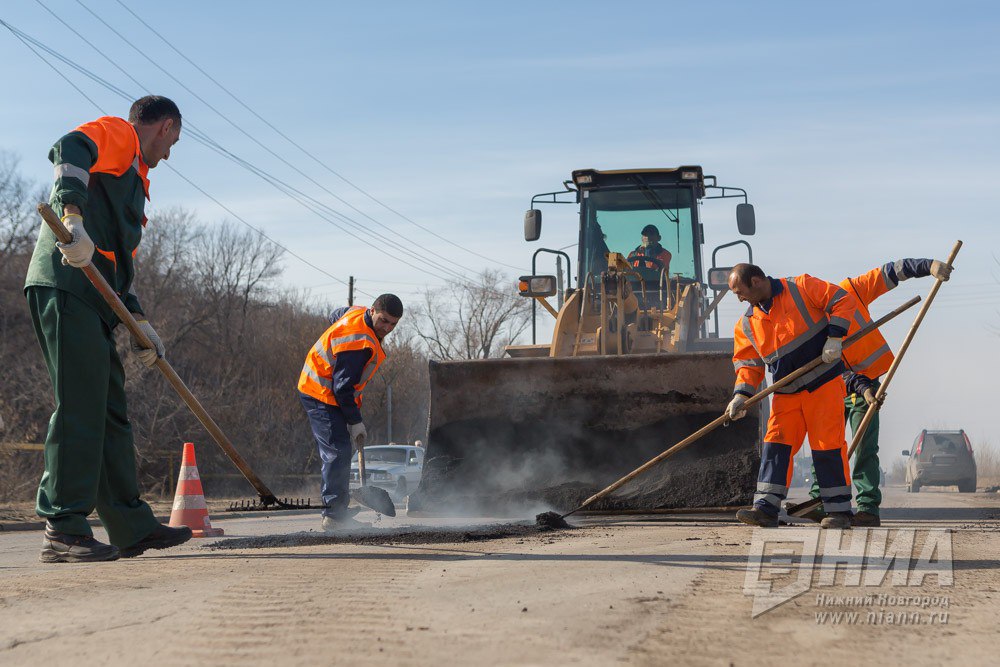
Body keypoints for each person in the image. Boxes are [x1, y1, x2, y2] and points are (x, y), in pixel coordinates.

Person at [24, 96, 191, 563]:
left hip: (97, 298)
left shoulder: (135, 184)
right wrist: (71, 217)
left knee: (111, 409)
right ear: (164, 127)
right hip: (65, 283)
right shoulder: (119, 135)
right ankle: (62, 527)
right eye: (173, 141)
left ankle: (130, 526)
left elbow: (118, 270)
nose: (170, 153)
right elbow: (70, 147)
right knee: (81, 404)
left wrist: (139, 322)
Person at [799, 258, 952, 527]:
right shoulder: (812, 324)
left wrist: (929, 267)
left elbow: (891, 271)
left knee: (865, 448)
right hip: (835, 384)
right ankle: (821, 501)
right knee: (826, 444)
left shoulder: (852, 291)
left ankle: (868, 507)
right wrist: (860, 386)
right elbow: (831, 369)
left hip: (871, 381)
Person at [726, 263, 858, 529]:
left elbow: (843, 300)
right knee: (776, 444)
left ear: (756, 281)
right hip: (786, 394)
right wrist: (741, 395)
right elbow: (748, 365)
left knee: (827, 445)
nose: (739, 298)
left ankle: (839, 511)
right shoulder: (746, 324)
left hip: (823, 384)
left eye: (740, 291)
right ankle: (765, 508)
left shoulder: (801, 287)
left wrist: (835, 337)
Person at [298, 294, 403, 531]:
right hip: (320, 392)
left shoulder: (356, 312)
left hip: (328, 391)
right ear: (373, 310)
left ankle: (338, 510)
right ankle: (334, 516)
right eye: (384, 320)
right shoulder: (359, 344)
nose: (387, 328)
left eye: (393, 324)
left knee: (341, 449)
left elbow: (336, 313)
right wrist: (355, 421)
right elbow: (342, 388)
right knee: (338, 450)